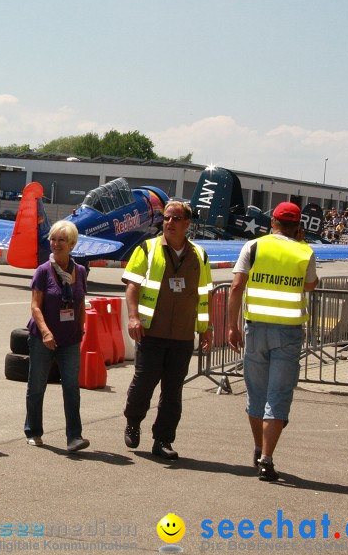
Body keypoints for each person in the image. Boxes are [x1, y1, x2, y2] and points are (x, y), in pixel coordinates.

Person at [227, 201, 318, 482]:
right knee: (278, 394)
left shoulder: (253, 247)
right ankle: (266, 458)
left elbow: (236, 286)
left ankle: (258, 447)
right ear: (298, 227)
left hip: (256, 329)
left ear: (272, 222)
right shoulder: (305, 252)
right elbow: (309, 285)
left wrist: (232, 327)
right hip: (288, 332)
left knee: (256, 391)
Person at [121, 200, 213, 460]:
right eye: (166, 218)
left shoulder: (199, 255)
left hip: (182, 335)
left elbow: (204, 293)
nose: (170, 223)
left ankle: (163, 439)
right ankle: (133, 420)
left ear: (187, 224)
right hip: (151, 332)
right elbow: (132, 286)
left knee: (173, 392)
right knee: (143, 384)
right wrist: (133, 318)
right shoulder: (147, 249)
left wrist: (206, 328)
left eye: (175, 219)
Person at [24, 220, 90, 452]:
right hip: (43, 337)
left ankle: (74, 437)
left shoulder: (80, 272)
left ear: (72, 244)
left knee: (71, 386)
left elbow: (81, 303)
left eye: (62, 240)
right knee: (37, 385)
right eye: (53, 239)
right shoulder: (43, 271)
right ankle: (33, 430)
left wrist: (81, 327)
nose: (56, 244)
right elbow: (35, 306)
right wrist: (45, 332)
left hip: (70, 339)